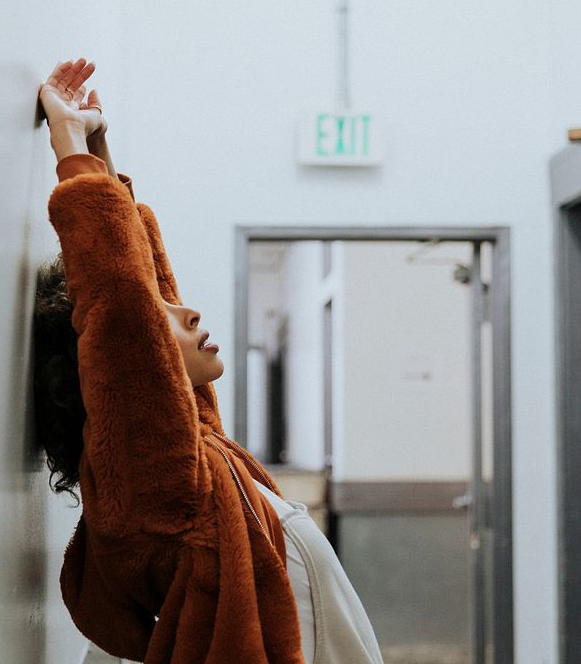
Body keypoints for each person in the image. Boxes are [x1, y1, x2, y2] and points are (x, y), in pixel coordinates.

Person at [34, 58, 383, 664]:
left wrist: (99, 149)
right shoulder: (158, 490)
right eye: (161, 316)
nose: (189, 312)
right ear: (114, 365)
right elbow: (120, 302)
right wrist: (69, 149)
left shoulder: (197, 457)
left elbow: (137, 285)